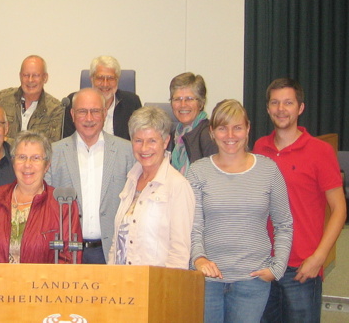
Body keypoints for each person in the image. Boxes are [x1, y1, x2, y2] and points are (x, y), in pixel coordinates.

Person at [188, 99, 293, 323]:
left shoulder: (268, 170)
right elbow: (193, 226)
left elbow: (284, 224)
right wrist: (199, 259)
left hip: (252, 281)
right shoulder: (198, 171)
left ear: (248, 129)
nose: (230, 135)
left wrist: (277, 267)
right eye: (222, 128)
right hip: (207, 281)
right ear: (212, 132)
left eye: (237, 127)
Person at [254, 78, 346, 322]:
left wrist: (319, 258)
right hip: (265, 266)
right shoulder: (259, 148)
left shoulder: (321, 151)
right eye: (275, 103)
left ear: (300, 108)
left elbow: (339, 209)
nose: (281, 109)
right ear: (267, 108)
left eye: (288, 103)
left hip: (302, 269)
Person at [46, 88, 135, 264]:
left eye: (95, 111)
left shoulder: (127, 152)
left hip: (111, 252)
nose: (88, 118)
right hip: (65, 252)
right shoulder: (53, 153)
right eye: (82, 111)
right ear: (72, 114)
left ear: (104, 113)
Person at [0, 131, 82, 264]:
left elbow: (69, 259)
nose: (28, 164)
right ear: (13, 162)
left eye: (36, 158)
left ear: (47, 166)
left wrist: (36, 284)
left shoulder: (63, 205)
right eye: (21, 157)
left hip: (44, 284)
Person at [107, 107, 194, 268]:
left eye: (152, 141)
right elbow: (117, 241)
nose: (144, 148)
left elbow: (179, 253)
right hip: (122, 283)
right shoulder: (131, 180)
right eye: (138, 140)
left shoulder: (178, 186)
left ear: (166, 141)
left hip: (156, 286)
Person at [0, 55, 64, 148]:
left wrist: (6, 140)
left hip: (34, 165)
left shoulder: (55, 109)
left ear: (45, 78)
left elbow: (51, 146)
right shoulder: (4, 99)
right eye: (26, 75)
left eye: (35, 75)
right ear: (20, 76)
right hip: (1, 161)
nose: (30, 80)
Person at [63, 56, 142, 140]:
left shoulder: (131, 103)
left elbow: (138, 138)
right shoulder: (74, 101)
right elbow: (68, 141)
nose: (105, 84)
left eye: (110, 78)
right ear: (91, 79)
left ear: (117, 80)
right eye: (100, 78)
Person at [167, 72, 217, 176]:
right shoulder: (172, 137)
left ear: (201, 103)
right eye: (177, 99)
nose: (183, 105)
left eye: (189, 99)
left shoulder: (209, 135)